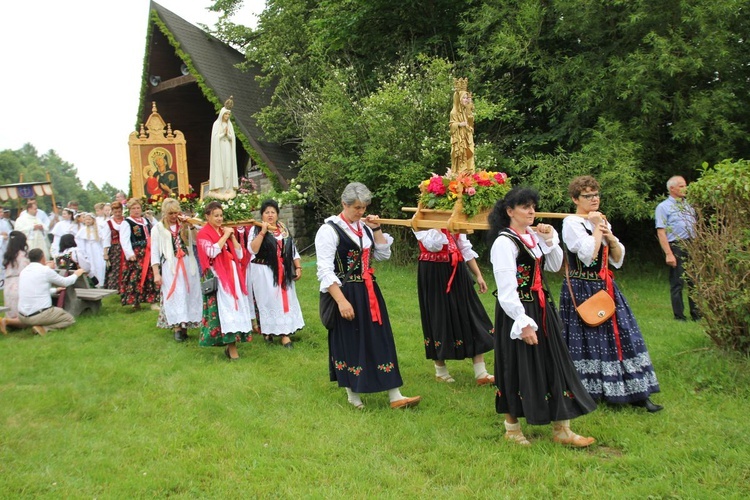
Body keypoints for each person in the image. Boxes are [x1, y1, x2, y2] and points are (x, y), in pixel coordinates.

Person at [489, 187, 597, 447]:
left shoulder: (531, 236)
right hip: (518, 311)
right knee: (515, 365)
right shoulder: (504, 242)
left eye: (533, 206)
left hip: (541, 307)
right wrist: (522, 322)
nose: (531, 211)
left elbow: (553, 265)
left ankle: (562, 428)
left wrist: (550, 240)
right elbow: (506, 289)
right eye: (525, 207)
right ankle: (512, 429)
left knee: (554, 362)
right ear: (509, 211)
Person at [559, 175, 663, 412]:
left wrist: (610, 237)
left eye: (596, 194)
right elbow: (588, 255)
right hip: (581, 287)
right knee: (587, 340)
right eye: (588, 195)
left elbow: (616, 259)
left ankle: (637, 392)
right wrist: (597, 229)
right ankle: (589, 391)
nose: (594, 199)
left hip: (605, 287)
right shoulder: (571, 223)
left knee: (622, 336)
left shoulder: (601, 220)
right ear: (576, 199)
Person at [315, 182, 421, 410]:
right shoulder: (329, 230)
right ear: (344, 204)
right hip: (345, 291)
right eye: (357, 208)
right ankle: (353, 394)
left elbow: (382, 256)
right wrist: (341, 301)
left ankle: (395, 395)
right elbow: (324, 269)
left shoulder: (363, 227)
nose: (361, 212)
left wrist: (376, 229)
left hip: (369, 290)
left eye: (363, 207)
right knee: (351, 340)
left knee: (379, 337)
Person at [414, 228, 495, 384]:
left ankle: (481, 373)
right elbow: (434, 245)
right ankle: (441, 371)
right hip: (433, 273)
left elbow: (463, 247)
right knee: (438, 316)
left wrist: (478, 275)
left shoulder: (454, 220)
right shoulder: (421, 222)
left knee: (471, 314)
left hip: (457, 270)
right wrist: (442, 225)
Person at [196, 201, 253, 359]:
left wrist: (232, 236)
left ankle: (233, 345)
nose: (220, 218)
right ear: (207, 216)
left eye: (221, 215)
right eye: (216, 216)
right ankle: (231, 347)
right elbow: (212, 252)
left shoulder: (224, 231)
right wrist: (226, 235)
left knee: (235, 308)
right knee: (226, 309)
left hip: (232, 274)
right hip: (218, 276)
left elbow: (240, 255)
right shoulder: (203, 234)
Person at [247, 199, 305, 348]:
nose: (270, 215)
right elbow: (252, 249)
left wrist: (298, 267)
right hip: (264, 272)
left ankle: (285, 334)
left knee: (285, 300)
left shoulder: (283, 229)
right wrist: (263, 232)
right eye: (267, 212)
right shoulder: (256, 229)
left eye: (273, 212)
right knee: (269, 300)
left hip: (283, 271)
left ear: (277, 215)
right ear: (262, 215)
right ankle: (268, 331)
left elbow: (292, 250)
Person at [151, 198, 202, 342]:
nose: (174, 216)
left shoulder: (185, 224)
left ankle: (185, 325)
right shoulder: (158, 228)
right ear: (164, 213)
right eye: (170, 213)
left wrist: (190, 225)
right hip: (171, 266)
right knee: (175, 294)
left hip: (187, 263)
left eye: (176, 212)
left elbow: (196, 241)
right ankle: (177, 328)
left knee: (188, 292)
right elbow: (154, 252)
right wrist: (156, 273)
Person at [655, 175, 700, 321]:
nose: (684, 188)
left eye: (685, 185)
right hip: (676, 245)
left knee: (695, 281)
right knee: (677, 282)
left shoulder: (689, 205)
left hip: (692, 244)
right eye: (681, 186)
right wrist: (669, 253)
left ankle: (697, 314)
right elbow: (661, 232)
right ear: (672, 188)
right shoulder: (663, 207)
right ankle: (679, 316)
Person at [16, 248, 86, 335]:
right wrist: (76, 274)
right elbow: (65, 282)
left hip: (22, 315)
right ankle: (44, 328)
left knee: (51, 313)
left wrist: (55, 290)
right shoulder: (45, 271)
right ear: (43, 258)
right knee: (69, 319)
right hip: (38, 315)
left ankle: (40, 324)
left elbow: (35, 290)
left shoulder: (24, 271)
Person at [119, 198, 159, 309]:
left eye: (138, 208)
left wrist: (152, 218)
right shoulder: (127, 223)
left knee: (151, 275)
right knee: (136, 276)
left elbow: (157, 229)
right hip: (137, 253)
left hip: (149, 251)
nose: (136, 210)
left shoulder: (146, 220)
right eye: (133, 208)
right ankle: (135, 301)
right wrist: (129, 253)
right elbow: (124, 239)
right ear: (129, 209)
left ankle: (153, 301)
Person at [208, 98, 239, 197]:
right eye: (226, 114)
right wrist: (223, 134)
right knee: (220, 166)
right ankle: (219, 187)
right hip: (219, 149)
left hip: (227, 149)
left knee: (228, 167)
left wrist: (228, 135)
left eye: (228, 114)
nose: (227, 116)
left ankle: (228, 188)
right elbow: (214, 138)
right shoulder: (216, 124)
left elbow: (232, 138)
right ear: (222, 114)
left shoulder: (230, 125)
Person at [0, 231, 30, 333]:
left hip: (8, 284)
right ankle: (9, 322)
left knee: (10, 306)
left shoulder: (8, 255)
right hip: (18, 282)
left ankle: (8, 322)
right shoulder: (22, 255)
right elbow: (26, 270)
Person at [449, 78, 475, 174]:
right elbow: (451, 125)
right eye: (464, 98)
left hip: (467, 138)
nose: (465, 100)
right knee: (460, 155)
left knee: (469, 155)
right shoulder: (454, 112)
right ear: (459, 99)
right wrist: (459, 124)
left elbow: (471, 123)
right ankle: (460, 174)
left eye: (466, 98)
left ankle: (469, 172)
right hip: (459, 140)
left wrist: (469, 106)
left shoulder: (465, 111)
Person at [76, 213, 106, 287]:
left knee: (99, 264)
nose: (87, 221)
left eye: (89, 219)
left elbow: (102, 240)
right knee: (91, 264)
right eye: (86, 219)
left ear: (93, 220)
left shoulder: (98, 229)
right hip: (88, 249)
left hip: (97, 248)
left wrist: (104, 251)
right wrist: (83, 252)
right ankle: (94, 282)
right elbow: (80, 242)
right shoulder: (83, 230)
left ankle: (101, 281)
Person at [102, 201, 125, 291]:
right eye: (116, 212)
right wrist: (105, 253)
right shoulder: (108, 223)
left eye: (119, 211)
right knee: (115, 269)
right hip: (115, 249)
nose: (118, 214)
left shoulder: (126, 220)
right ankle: (115, 288)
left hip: (126, 247)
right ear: (112, 211)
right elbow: (106, 238)